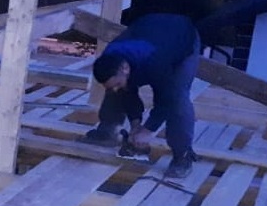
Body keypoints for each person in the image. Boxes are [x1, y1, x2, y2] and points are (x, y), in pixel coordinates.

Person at [83, 13, 202, 178]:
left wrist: (149, 130)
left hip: (182, 38)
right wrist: (135, 125)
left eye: (117, 82)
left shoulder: (155, 61)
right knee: (117, 90)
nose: (116, 88)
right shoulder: (111, 58)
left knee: (179, 99)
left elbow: (166, 99)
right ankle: (108, 131)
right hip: (152, 33)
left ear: (125, 68)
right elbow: (127, 92)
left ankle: (182, 156)